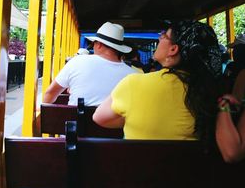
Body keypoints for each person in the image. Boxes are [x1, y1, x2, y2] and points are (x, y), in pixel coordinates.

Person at [93, 20, 222, 141]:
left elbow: (99, 118)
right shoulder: (211, 93)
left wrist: (136, 119)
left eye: (164, 35)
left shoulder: (133, 84)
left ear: (173, 49)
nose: (160, 37)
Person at [43, 22, 137, 106]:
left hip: (78, 124)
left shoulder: (77, 62)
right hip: (117, 125)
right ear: (118, 49)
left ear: (99, 44)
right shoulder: (133, 75)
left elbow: (50, 94)